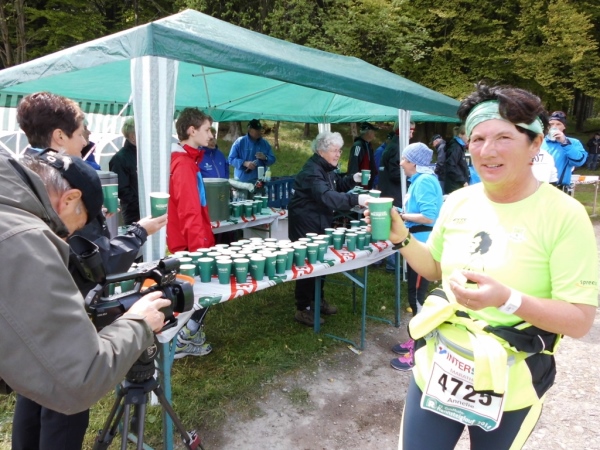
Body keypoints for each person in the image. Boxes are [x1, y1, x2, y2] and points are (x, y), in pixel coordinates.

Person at [370, 83, 597, 450]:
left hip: (511, 382)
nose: (487, 150)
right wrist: (402, 239)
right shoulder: (458, 201)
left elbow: (579, 320)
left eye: (504, 137)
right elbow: (435, 268)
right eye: (477, 139)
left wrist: (508, 299)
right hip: (440, 368)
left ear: (535, 144)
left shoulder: (564, 215)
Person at [13, 92, 168, 449]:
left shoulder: (21, 173)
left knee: (32, 393)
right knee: (64, 407)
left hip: (28, 323)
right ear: (59, 136)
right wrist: (138, 232)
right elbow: (96, 263)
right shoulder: (64, 181)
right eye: (82, 132)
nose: (86, 141)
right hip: (64, 314)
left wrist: (94, 218)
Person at [288, 131, 369, 326]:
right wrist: (356, 199)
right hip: (305, 222)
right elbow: (326, 196)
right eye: (334, 150)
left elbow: (335, 185)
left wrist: (353, 179)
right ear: (321, 151)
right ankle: (303, 308)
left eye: (340, 150)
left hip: (319, 219)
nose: (338, 154)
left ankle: (317, 300)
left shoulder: (326, 168)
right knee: (308, 264)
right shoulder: (312, 171)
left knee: (321, 262)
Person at [389, 143, 443, 372]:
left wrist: (401, 216)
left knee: (418, 298)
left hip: (423, 245)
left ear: (413, 162)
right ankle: (414, 340)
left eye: (404, 158)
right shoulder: (420, 180)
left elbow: (429, 217)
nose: (401, 163)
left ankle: (417, 352)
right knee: (414, 294)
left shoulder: (425, 181)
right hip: (417, 241)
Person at [168, 107, 215, 358]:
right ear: (191, 130)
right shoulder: (184, 163)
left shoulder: (187, 160)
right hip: (189, 244)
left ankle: (188, 334)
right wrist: (201, 252)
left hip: (187, 241)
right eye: (207, 130)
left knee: (198, 292)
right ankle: (183, 338)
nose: (211, 135)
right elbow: (189, 212)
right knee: (205, 290)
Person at [540, 111, 586, 192]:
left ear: (564, 126)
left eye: (558, 124)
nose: (554, 127)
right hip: (538, 187)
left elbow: (579, 161)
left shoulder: (573, 142)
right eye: (551, 124)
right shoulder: (540, 142)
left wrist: (565, 142)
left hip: (559, 188)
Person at [109, 117, 140, 225]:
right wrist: (140, 204)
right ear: (133, 136)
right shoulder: (120, 159)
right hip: (134, 214)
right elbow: (121, 189)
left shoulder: (145, 156)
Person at [347, 122, 378, 189]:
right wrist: (353, 181)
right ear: (368, 132)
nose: (374, 134)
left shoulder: (368, 145)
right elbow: (354, 163)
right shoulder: (358, 146)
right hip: (360, 184)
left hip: (367, 182)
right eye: (373, 131)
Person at [443, 125, 470, 194]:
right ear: (460, 135)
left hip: (457, 185)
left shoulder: (459, 147)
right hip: (455, 186)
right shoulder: (455, 147)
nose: (469, 138)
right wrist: (463, 181)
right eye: (467, 135)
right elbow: (451, 166)